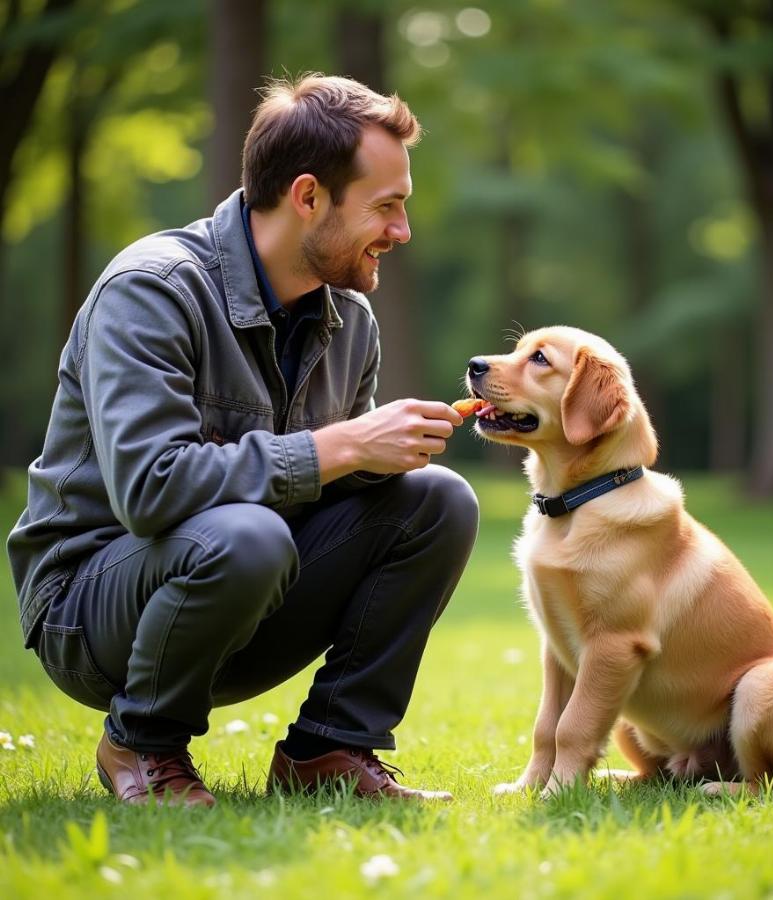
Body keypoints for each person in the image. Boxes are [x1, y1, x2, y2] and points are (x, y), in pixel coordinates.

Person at [6, 74, 479, 807]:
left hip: (251, 583)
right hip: (92, 608)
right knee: (246, 536)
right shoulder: (152, 290)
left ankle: (326, 748)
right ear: (308, 196)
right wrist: (343, 448)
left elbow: (321, 491)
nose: (402, 231)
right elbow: (150, 488)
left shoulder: (350, 322)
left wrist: (385, 451)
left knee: (438, 501)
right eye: (386, 207)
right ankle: (141, 742)